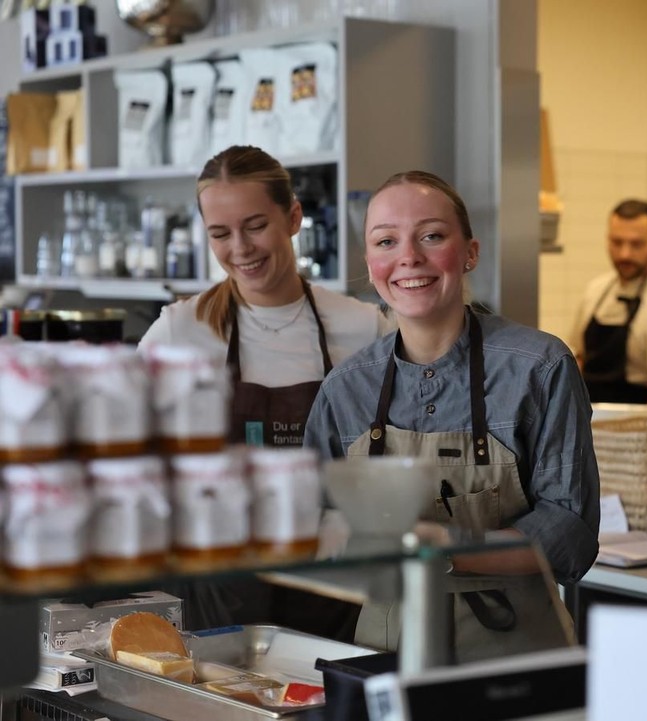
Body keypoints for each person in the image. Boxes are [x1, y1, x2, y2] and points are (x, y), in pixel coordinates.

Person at [305, 170, 600, 662]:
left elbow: (569, 533)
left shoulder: (539, 367)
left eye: (432, 236)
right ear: (370, 264)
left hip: (517, 659)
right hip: (386, 654)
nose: (408, 257)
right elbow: (312, 521)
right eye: (386, 241)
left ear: (470, 252)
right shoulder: (347, 388)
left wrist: (444, 546)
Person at [139, 144, 391, 637]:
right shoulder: (179, 331)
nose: (240, 247)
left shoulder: (363, 328)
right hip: (219, 588)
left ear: (293, 217)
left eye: (255, 225)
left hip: (335, 585)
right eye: (220, 233)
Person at [568, 199, 647, 415]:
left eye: (636, 244)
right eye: (617, 242)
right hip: (587, 429)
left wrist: (628, 441)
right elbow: (579, 361)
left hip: (636, 436)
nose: (625, 254)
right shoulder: (595, 292)